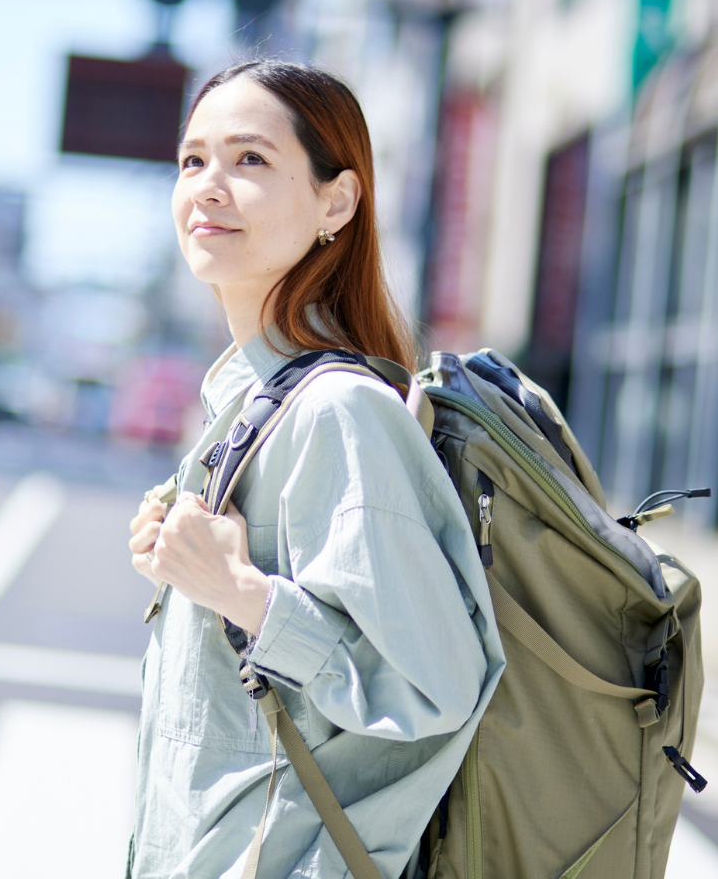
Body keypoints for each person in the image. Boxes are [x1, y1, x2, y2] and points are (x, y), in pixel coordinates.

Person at [126, 60, 504, 879]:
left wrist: (243, 595)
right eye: (193, 160)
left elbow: (435, 684)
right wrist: (189, 570)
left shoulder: (339, 411)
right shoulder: (252, 399)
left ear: (336, 203)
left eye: (250, 159)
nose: (208, 186)